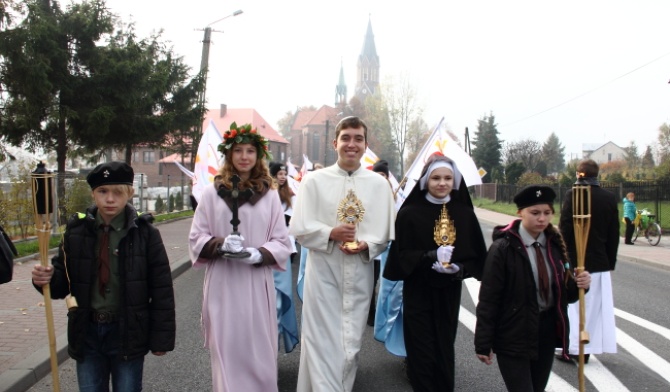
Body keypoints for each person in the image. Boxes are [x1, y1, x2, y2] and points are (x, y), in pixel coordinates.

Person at [31, 161, 176, 391]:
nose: (110, 199)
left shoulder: (146, 234)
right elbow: (62, 284)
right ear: (93, 194)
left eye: (118, 192)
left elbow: (162, 289)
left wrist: (161, 339)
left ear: (129, 193)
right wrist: (45, 279)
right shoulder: (76, 232)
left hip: (127, 332)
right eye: (103, 191)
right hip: (87, 333)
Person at [289, 116, 395, 391]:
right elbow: (300, 229)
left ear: (365, 144)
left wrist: (368, 245)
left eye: (358, 139)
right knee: (321, 343)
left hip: (359, 271)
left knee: (350, 344)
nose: (352, 144)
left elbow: (384, 235)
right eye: (346, 138)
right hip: (324, 271)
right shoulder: (313, 181)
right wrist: (329, 233)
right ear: (334, 143)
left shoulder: (379, 185)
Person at [189, 122, 293, 392]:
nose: (244, 156)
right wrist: (220, 245)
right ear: (229, 155)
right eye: (238, 151)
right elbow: (196, 237)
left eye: (250, 151)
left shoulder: (269, 195)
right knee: (227, 348)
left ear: (258, 156)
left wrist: (259, 253)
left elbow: (282, 241)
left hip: (255, 282)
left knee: (257, 351)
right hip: (223, 282)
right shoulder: (212, 193)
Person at [384, 153, 487, 391]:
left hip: (448, 292)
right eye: (436, 178)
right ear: (425, 181)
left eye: (448, 178)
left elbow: (477, 259)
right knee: (421, 352)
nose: (442, 183)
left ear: (455, 181)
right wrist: (427, 257)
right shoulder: (410, 213)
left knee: (444, 349)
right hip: (418, 292)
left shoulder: (464, 214)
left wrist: (459, 269)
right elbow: (400, 256)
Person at [475, 185, 592, 392]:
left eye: (547, 213)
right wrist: (483, 342)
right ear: (520, 212)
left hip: (544, 333)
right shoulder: (503, 249)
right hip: (513, 333)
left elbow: (566, 295)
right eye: (535, 213)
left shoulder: (555, 246)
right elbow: (489, 298)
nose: (542, 219)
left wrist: (581, 285)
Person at [558, 158, 619, 363]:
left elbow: (565, 229)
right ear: (597, 175)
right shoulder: (609, 198)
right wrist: (609, 262)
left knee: (575, 306)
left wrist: (563, 258)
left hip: (576, 260)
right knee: (593, 309)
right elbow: (613, 234)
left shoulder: (573, 195)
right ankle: (586, 347)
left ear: (578, 174)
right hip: (599, 261)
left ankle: (575, 348)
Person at [269, 161, 300, 353]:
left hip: (285, 249)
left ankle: (276, 338)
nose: (282, 176)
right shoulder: (266, 194)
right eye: (279, 173)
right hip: (266, 250)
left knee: (280, 297)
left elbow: (294, 220)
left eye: (284, 173)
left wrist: (291, 243)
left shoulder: (290, 196)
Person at [367, 159, 392, 326]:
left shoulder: (393, 195)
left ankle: (384, 313)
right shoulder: (365, 195)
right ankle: (370, 312)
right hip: (370, 247)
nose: (380, 177)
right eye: (378, 174)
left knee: (385, 283)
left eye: (383, 175)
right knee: (370, 281)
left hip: (388, 247)